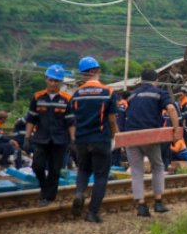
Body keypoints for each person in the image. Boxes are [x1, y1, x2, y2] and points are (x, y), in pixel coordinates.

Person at [68, 56, 119, 223]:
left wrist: (74, 139)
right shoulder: (108, 92)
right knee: (101, 176)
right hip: (101, 139)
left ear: (83, 74)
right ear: (96, 71)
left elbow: (72, 120)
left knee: (83, 170)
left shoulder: (75, 94)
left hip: (81, 139)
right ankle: (92, 213)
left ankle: (79, 193)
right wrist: (115, 136)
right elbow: (111, 120)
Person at [125, 69, 180, 217]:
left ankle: (141, 206)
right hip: (149, 135)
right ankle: (158, 202)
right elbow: (171, 109)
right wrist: (176, 130)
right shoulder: (159, 93)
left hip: (130, 136)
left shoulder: (132, 95)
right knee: (157, 166)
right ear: (156, 80)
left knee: (136, 171)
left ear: (141, 80)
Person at [25, 65, 73, 206]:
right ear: (46, 79)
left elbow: (71, 121)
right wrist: (27, 137)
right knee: (37, 166)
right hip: (41, 138)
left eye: (57, 81)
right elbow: (31, 119)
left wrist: (73, 140)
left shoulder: (66, 99)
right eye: (51, 80)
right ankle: (44, 188)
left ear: (61, 82)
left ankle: (48, 197)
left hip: (60, 140)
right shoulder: (37, 97)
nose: (53, 83)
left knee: (55, 169)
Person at [112, 91, 130, 168]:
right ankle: (117, 166)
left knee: (114, 150)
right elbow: (128, 118)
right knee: (121, 151)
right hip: (122, 130)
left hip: (114, 129)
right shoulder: (127, 105)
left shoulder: (117, 104)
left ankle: (114, 165)